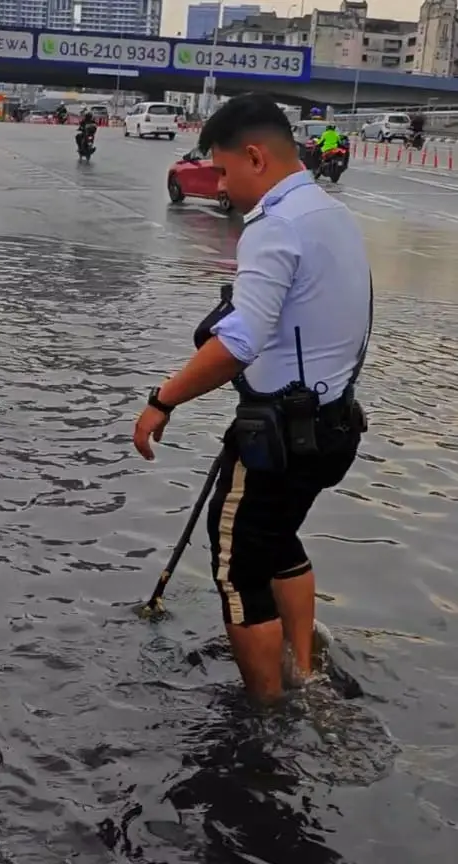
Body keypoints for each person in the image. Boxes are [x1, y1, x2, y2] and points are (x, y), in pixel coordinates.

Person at [132, 94, 371, 703]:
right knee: (277, 538)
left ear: (256, 158)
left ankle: (267, 714)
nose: (219, 183)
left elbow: (238, 342)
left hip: (280, 441)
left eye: (223, 169)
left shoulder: (274, 225)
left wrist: (163, 399)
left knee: (237, 565)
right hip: (334, 427)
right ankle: (305, 671)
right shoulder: (330, 212)